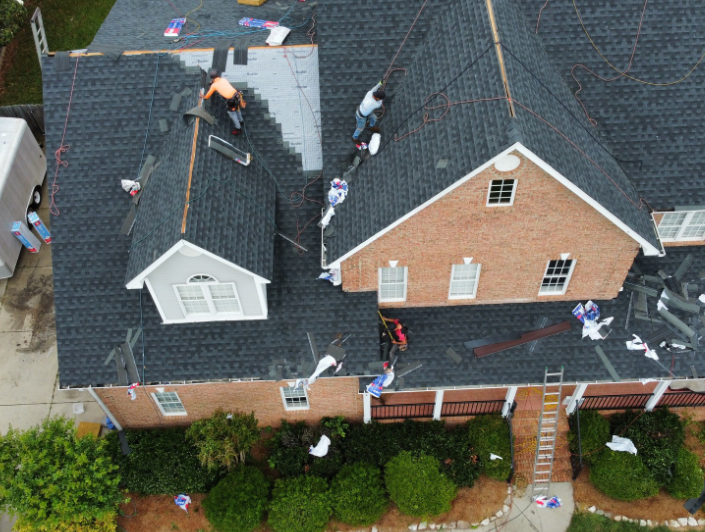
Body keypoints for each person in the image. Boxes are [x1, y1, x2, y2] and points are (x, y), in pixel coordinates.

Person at [201, 69, 246, 136]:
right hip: (237, 96)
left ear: (212, 78)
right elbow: (222, 85)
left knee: (232, 114)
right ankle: (241, 121)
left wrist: (203, 96)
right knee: (238, 109)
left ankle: (238, 128)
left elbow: (207, 96)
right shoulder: (223, 79)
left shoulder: (214, 85)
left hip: (231, 101)